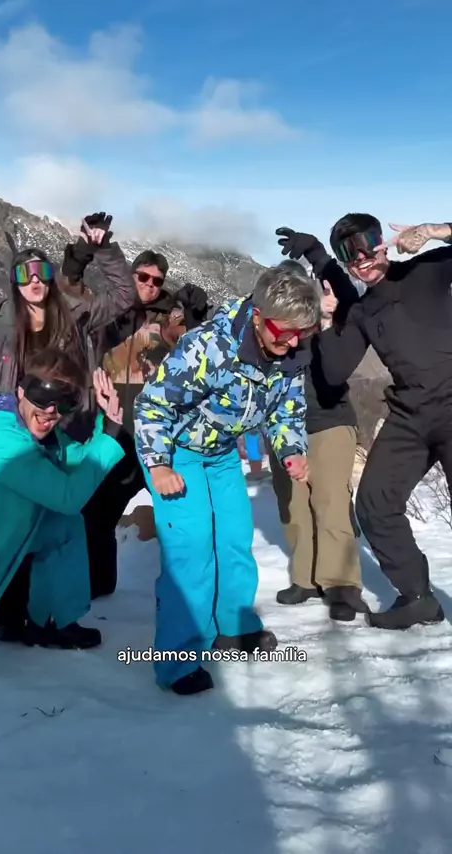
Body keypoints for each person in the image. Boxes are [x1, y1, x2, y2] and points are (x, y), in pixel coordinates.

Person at [133, 265, 320, 695]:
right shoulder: (210, 348)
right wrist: (159, 465)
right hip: (176, 451)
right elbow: (152, 405)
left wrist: (291, 449)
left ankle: (234, 627)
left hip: (219, 453)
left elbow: (287, 408)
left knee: (234, 536)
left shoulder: (289, 354)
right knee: (192, 547)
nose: (293, 342)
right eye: (284, 332)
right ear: (257, 315)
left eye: (301, 333)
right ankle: (178, 659)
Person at [0, 211, 137, 631]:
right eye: (24, 274)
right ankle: (10, 618)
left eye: (42, 272)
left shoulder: (75, 319)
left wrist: (102, 249)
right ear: (14, 282)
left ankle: (55, 619)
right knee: (12, 528)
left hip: (67, 436)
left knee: (63, 526)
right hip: (18, 440)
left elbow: (124, 297)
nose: (35, 280)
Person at [319, 214, 452, 630]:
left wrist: (436, 232)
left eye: (365, 245)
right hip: (410, 416)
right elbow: (334, 372)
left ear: (381, 242)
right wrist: (327, 321)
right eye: (348, 254)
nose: (360, 259)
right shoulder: (361, 310)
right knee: (374, 503)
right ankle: (417, 597)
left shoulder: (425, 270)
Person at [61, 244, 210, 596]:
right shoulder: (109, 309)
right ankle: (98, 586)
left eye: (157, 281)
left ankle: (191, 588)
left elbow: (191, 338)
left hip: (158, 434)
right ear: (131, 275)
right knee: (98, 512)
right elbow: (71, 301)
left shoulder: (167, 316)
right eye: (143, 277)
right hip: (112, 429)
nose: (149, 285)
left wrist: (195, 315)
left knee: (178, 513)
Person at [0, 348, 125, 648]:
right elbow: (68, 495)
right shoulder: (2, 441)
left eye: (64, 402)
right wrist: (109, 435)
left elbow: (75, 461)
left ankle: (50, 621)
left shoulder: (30, 430)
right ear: (21, 391)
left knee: (63, 526)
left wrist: (106, 423)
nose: (51, 411)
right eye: (43, 396)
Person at [268, 234, 366, 622]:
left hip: (329, 420)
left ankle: (341, 584)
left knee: (330, 501)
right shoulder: (274, 327)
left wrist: (318, 255)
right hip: (283, 427)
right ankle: (305, 578)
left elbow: (352, 300)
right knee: (293, 504)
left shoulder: (330, 315)